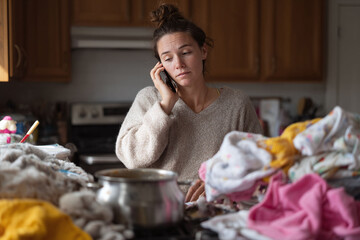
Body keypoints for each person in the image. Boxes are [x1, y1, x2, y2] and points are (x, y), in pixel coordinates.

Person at [115, 3, 262, 202]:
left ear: (203, 52)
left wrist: (218, 179)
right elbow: (132, 159)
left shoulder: (237, 103)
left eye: (185, 53)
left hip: (218, 212)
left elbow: (258, 161)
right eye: (168, 58)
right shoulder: (149, 99)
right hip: (160, 211)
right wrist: (165, 105)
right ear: (161, 66)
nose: (178, 64)